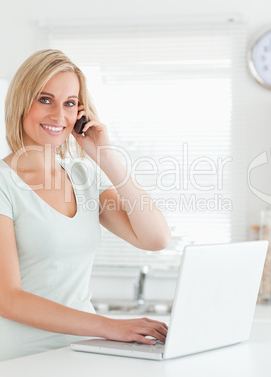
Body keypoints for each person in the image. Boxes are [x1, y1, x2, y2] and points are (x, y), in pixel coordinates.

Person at [0, 49, 171, 361]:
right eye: (45, 99)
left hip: (82, 351)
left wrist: (105, 157)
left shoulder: (84, 175)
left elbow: (156, 238)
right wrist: (110, 327)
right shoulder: (4, 183)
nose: (59, 115)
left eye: (69, 104)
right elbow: (8, 298)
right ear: (22, 101)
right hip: (21, 357)